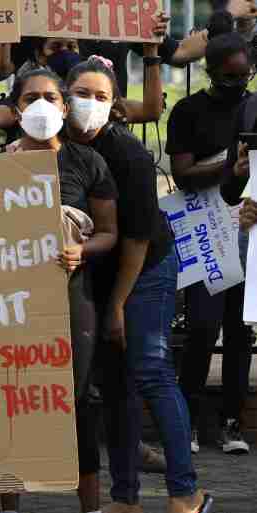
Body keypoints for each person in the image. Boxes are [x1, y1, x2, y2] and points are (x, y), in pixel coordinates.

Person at [64, 58, 212, 513]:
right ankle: (125, 499)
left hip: (143, 271)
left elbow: (138, 239)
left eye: (101, 96)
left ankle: (184, 493)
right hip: (98, 274)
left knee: (150, 371)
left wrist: (117, 306)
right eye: (81, 93)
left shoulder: (127, 154)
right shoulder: (56, 145)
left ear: (115, 105)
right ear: (64, 96)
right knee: (115, 386)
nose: (89, 104)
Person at [0, 68, 118, 513]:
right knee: (8, 394)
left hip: (71, 294)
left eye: (50, 97)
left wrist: (81, 251)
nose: (41, 106)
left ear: (65, 108)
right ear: (15, 110)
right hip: (9, 302)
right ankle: (9, 503)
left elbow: (109, 232)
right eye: (30, 98)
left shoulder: (88, 162)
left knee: (80, 396)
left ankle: (90, 505)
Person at [166, 32, 254, 456]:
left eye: (245, 75)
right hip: (205, 225)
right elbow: (183, 174)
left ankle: (232, 422)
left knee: (240, 330)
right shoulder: (188, 111)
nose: (238, 83)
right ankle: (190, 420)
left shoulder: (254, 107)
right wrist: (229, 166)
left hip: (247, 224)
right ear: (211, 72)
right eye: (229, 76)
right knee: (202, 326)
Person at [0, 36, 165, 148]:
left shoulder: (91, 96)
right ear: (40, 55)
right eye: (56, 47)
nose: (65, 53)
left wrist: (151, 53)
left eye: (71, 47)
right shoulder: (30, 94)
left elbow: (151, 111)